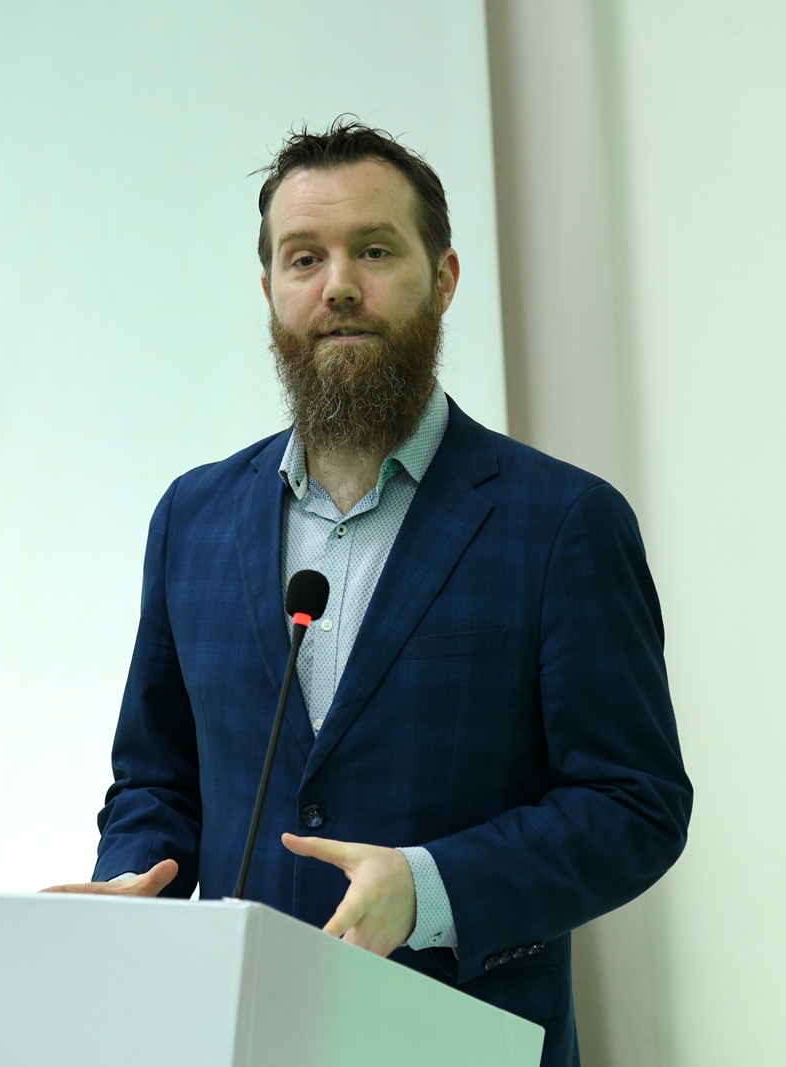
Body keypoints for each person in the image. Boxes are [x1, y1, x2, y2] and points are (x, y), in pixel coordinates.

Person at [43, 118, 691, 1067]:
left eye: (374, 250)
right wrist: (134, 881)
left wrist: (430, 887)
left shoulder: (561, 522)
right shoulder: (193, 516)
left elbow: (634, 804)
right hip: (248, 1038)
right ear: (269, 291)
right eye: (304, 258)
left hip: (461, 1041)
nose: (337, 283)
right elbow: (158, 778)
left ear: (445, 277)